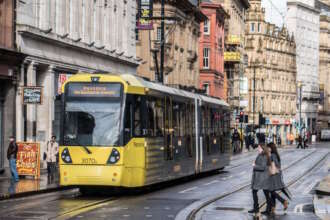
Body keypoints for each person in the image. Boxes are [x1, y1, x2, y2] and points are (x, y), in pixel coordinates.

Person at [248, 144, 272, 216]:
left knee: (256, 191)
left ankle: (258, 208)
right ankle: (264, 208)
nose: (258, 148)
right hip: (260, 177)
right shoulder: (261, 155)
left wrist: (254, 166)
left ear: (262, 148)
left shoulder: (263, 156)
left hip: (262, 178)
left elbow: (263, 167)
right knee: (265, 192)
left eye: (259, 147)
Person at [267, 142, 289, 215]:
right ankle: (273, 207)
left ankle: (283, 201)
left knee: (270, 190)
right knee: (271, 190)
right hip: (276, 174)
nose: (267, 149)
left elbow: (275, 165)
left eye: (268, 147)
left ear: (271, 148)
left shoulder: (272, 155)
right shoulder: (275, 154)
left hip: (274, 174)